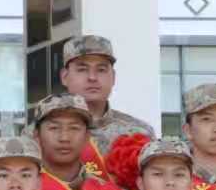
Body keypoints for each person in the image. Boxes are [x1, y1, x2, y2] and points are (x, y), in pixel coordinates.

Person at [60, 35, 156, 170]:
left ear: (114, 77)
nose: (92, 77)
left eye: (101, 70)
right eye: (82, 70)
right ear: (64, 77)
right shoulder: (43, 134)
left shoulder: (138, 133)